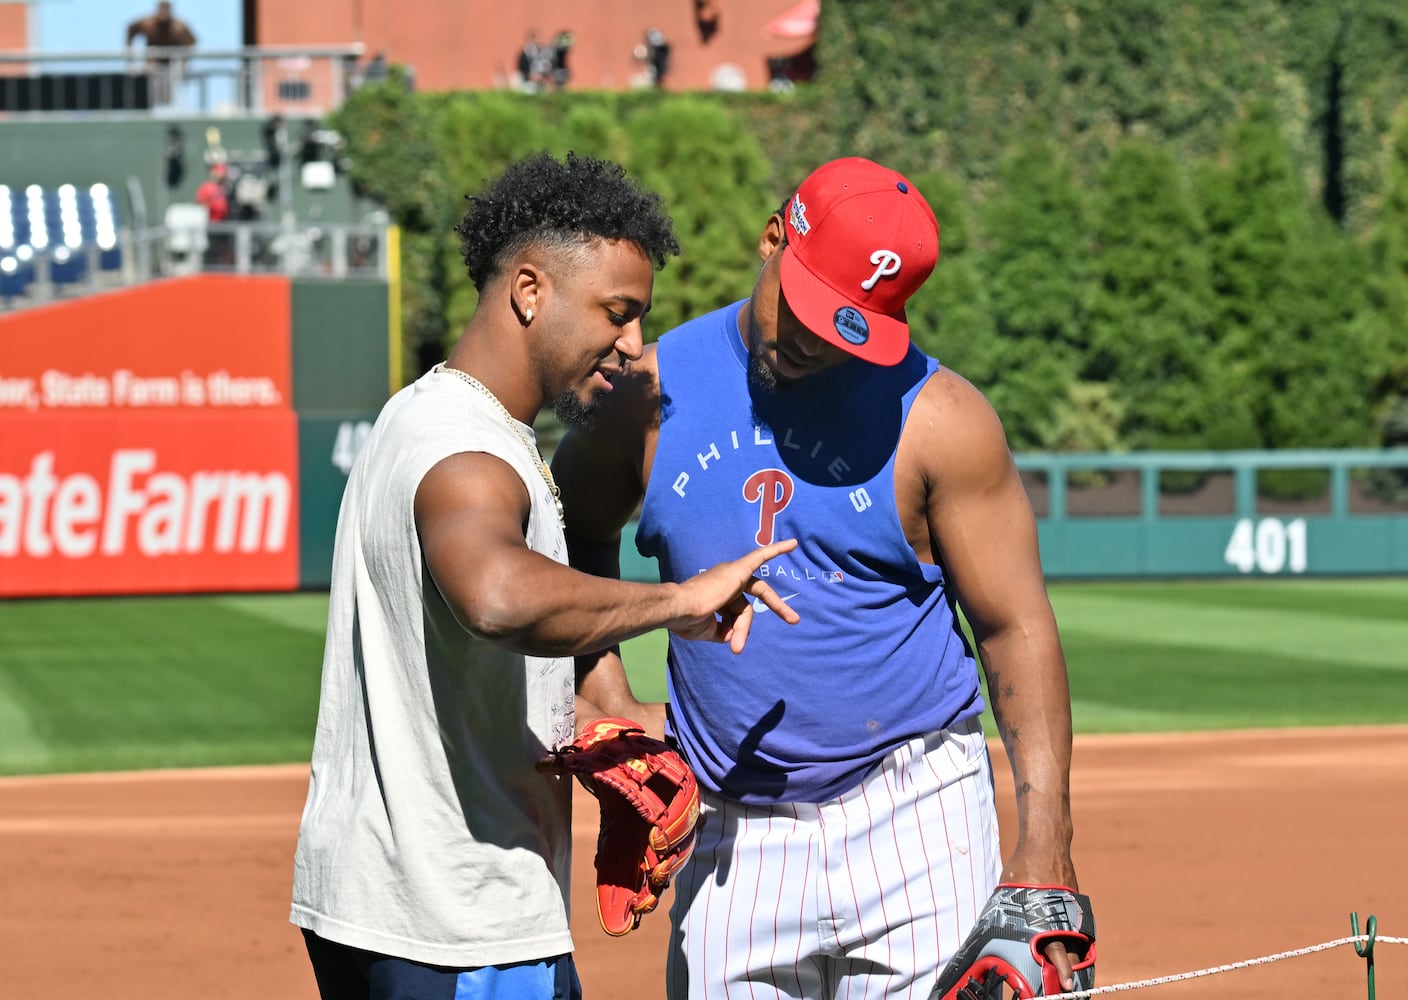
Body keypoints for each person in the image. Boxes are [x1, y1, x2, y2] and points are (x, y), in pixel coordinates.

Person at [551, 156, 1087, 999]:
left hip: (920, 812)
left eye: (849, 327)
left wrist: (1046, 853)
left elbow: (1015, 625)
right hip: (732, 828)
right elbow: (569, 527)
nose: (812, 343)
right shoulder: (651, 391)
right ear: (772, 241)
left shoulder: (942, 417)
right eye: (803, 310)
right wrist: (606, 689)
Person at [288, 150, 800, 1000]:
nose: (632, 344)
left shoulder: (418, 416)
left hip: (382, 909)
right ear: (530, 291)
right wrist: (678, 601)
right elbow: (496, 597)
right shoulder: (469, 448)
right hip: (459, 924)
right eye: (616, 312)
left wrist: (611, 716)